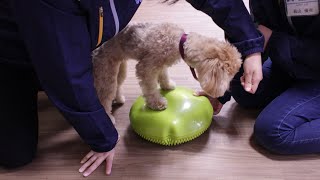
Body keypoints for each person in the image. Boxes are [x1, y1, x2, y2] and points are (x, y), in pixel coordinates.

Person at [0, 0, 264, 177]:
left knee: (71, 81)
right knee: (16, 155)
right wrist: (103, 137)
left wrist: (250, 45)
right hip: (13, 50)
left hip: (80, 36)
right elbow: (64, 69)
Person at [203, 0, 320, 155]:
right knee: (243, 90)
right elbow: (255, 30)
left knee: (274, 131)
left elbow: (267, 37)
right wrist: (221, 89)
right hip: (295, 61)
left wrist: (274, 40)